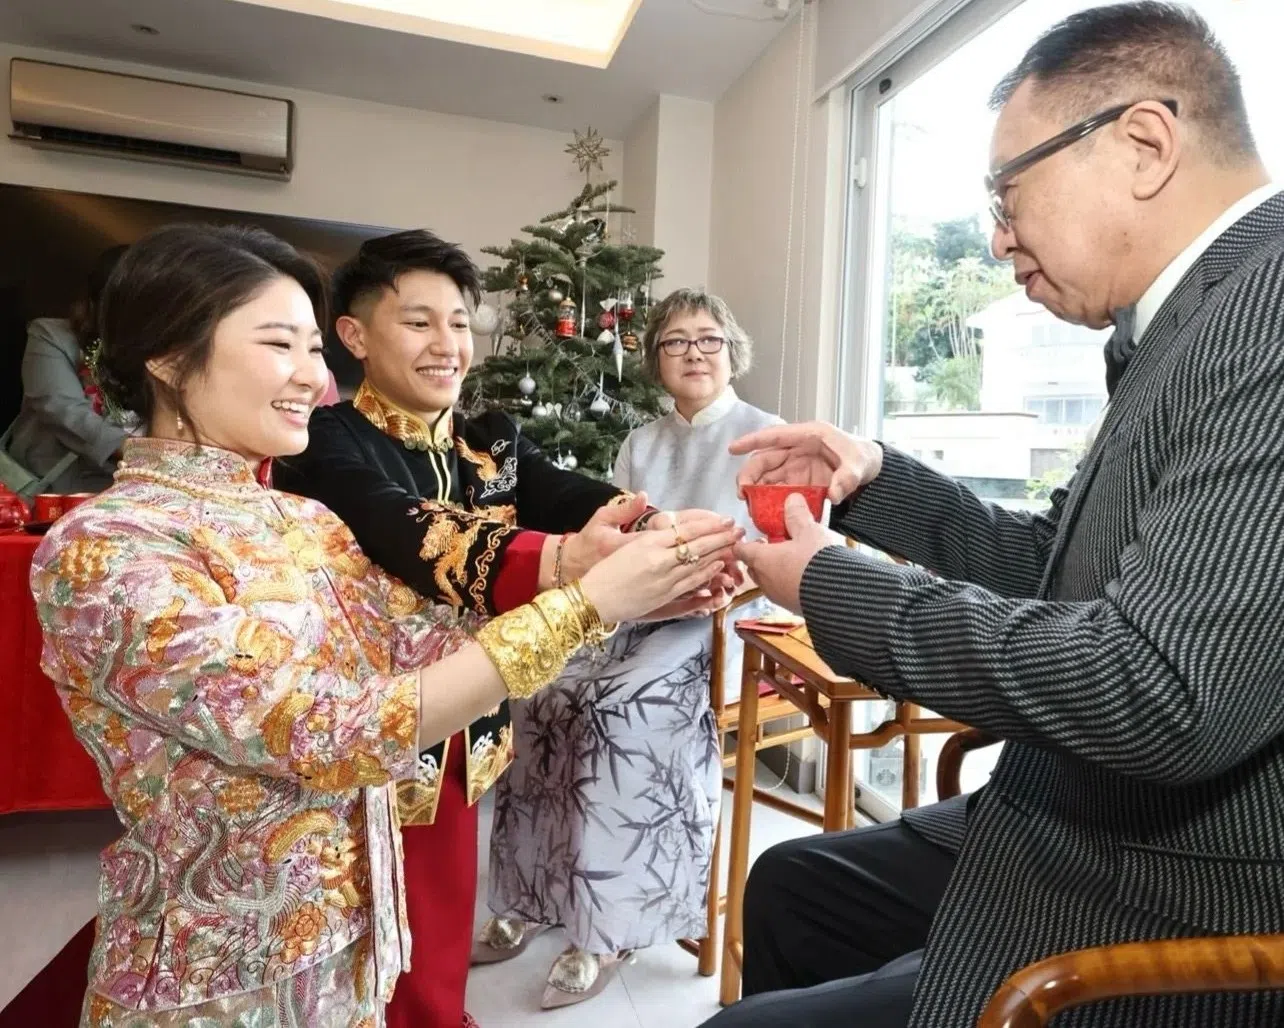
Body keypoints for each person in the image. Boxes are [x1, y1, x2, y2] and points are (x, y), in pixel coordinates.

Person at [708, 4, 1284, 1027]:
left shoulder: (1265, 306)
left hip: (1163, 886)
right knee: (791, 887)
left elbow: (1160, 689)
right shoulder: (1188, 323)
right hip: (1069, 813)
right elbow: (1051, 561)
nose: (996, 234)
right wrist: (873, 478)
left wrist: (835, 587)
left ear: (1144, 142)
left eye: (1009, 190)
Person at [27, 222, 740, 1027]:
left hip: (352, 965)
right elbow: (327, 728)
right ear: (166, 356)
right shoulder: (108, 545)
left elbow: (435, 640)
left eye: (309, 349)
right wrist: (589, 593)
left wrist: (656, 579)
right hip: (218, 983)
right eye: (278, 345)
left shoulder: (301, 522)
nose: (309, 377)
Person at [273, 231, 739, 1027]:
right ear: (353, 336)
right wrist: (564, 565)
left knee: (445, 903)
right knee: (358, 929)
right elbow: (410, 531)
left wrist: (672, 541)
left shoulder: (489, 438)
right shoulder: (326, 441)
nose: (447, 344)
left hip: (469, 716)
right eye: (419, 323)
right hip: (365, 732)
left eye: (459, 323)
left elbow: (575, 494)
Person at [475, 288, 783, 1007]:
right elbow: (614, 539)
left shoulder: (766, 434)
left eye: (708, 339)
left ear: (732, 350)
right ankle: (530, 898)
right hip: (633, 611)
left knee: (618, 711)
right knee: (539, 688)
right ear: (655, 362)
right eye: (676, 342)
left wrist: (690, 584)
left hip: (715, 620)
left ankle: (607, 928)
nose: (695, 353)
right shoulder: (640, 443)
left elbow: (767, 554)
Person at [6, 245, 130, 494]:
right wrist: (140, 451)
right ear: (97, 302)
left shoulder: (164, 352)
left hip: (125, 492)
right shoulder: (50, 335)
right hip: (48, 490)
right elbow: (62, 410)